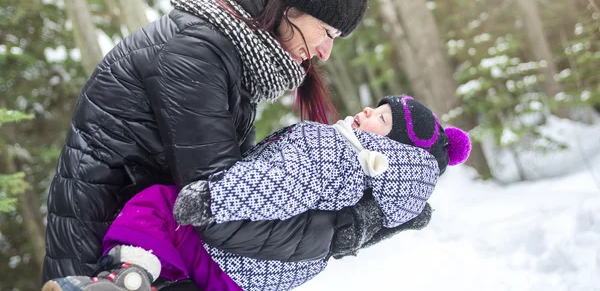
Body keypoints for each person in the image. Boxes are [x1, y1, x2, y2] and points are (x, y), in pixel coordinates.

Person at [41, 0, 370, 289]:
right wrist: (339, 230)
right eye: (326, 32)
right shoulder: (195, 53)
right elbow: (219, 209)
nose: (324, 52)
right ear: (288, 6)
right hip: (111, 260)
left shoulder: (230, 53)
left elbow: (235, 190)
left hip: (147, 247)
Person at [42, 95, 471, 291]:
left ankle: (125, 275)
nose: (364, 112)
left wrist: (214, 198)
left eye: (380, 117)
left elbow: (280, 184)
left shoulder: (341, 153)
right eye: (375, 106)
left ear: (393, 147)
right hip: (254, 280)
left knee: (158, 204)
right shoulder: (373, 194)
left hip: (227, 257)